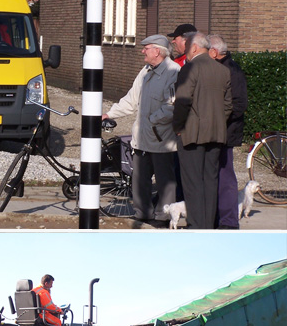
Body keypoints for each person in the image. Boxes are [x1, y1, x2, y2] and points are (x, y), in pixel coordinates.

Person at [103, 34, 179, 224]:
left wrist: (151, 120)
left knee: (165, 182)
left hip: (162, 139)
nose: (143, 51)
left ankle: (164, 216)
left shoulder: (173, 72)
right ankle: (143, 214)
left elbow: (172, 106)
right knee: (139, 180)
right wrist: (110, 114)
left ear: (158, 52)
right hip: (142, 138)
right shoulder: (145, 71)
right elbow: (131, 99)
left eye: (147, 48)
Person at [172, 32, 232, 229]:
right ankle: (207, 226)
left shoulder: (189, 69)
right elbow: (228, 105)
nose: (185, 53)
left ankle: (196, 226)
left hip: (192, 134)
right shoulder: (222, 70)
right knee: (210, 181)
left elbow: (182, 101)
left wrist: (178, 127)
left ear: (195, 48)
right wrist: (216, 122)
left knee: (192, 183)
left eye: (187, 48)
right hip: (216, 134)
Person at [208, 34, 248, 229]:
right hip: (218, 130)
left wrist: (218, 122)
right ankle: (217, 218)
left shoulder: (231, 71)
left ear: (214, 52)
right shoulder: (218, 68)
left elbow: (239, 104)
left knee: (225, 177)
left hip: (226, 132)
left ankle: (229, 221)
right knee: (215, 175)